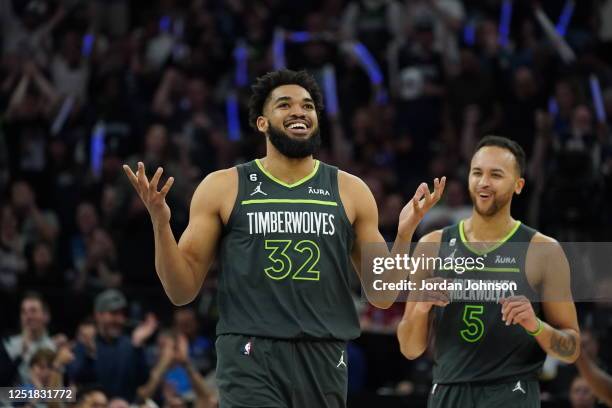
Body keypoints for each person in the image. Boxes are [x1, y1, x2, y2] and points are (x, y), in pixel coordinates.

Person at [123, 69, 446, 407]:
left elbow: (381, 293)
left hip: (323, 353)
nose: (299, 111)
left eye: (308, 106)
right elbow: (181, 290)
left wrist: (405, 230)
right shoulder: (224, 186)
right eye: (285, 105)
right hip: (250, 353)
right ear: (262, 122)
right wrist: (161, 225)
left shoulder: (351, 190)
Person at [398, 135, 580, 407]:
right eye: (477, 173)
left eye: (496, 174)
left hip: (511, 393)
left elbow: (571, 348)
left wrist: (536, 326)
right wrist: (420, 311)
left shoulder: (544, 251)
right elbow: (410, 349)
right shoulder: (432, 245)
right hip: (449, 393)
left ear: (518, 185)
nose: (483, 182)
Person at [67, 289, 156, 402]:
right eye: (113, 313)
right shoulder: (84, 344)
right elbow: (77, 380)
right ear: (98, 315)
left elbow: (143, 380)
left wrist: (138, 346)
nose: (119, 319)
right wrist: (90, 354)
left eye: (122, 314)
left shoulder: (130, 345)